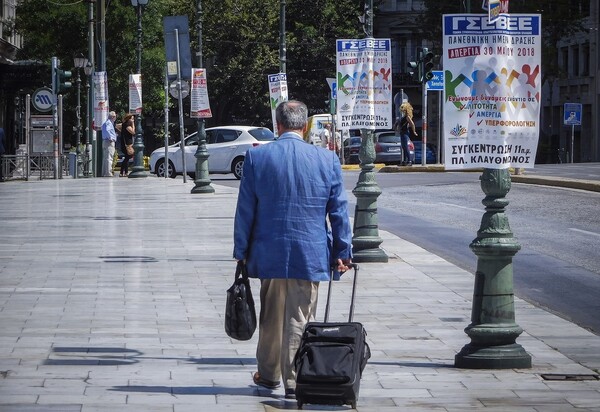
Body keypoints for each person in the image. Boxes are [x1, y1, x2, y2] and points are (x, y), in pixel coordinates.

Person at [233, 100, 353, 400]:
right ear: (305, 125)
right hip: (309, 251)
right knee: (300, 315)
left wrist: (241, 250)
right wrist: (343, 250)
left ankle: (269, 374)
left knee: (271, 313)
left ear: (279, 124)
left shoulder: (257, 158)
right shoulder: (327, 160)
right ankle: (295, 379)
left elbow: (245, 209)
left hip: (268, 250)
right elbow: (338, 210)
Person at [101, 111, 118, 177]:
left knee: (105, 158)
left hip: (105, 141)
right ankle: (108, 173)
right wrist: (110, 137)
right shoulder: (109, 123)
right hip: (109, 142)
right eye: (115, 117)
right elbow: (108, 130)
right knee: (109, 158)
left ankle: (104, 172)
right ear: (113, 117)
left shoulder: (105, 123)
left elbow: (104, 130)